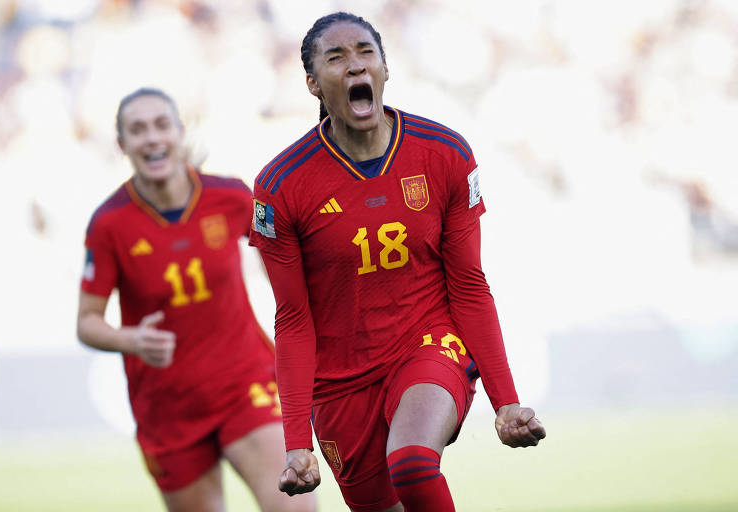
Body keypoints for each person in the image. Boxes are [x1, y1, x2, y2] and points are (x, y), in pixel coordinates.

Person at [249, 12, 546, 512]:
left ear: (385, 69)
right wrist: (297, 441)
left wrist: (506, 401)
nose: (354, 66)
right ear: (312, 84)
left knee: (411, 462)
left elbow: (470, 285)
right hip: (340, 382)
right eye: (336, 58)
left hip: (427, 343)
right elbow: (293, 320)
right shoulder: (281, 186)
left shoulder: (444, 153)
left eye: (365, 53)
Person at [77, 87, 316, 512]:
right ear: (122, 145)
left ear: (179, 132)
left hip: (245, 383)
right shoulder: (110, 223)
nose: (151, 138)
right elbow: (87, 322)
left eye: (161, 125)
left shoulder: (230, 196)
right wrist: (132, 340)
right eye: (137, 130)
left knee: (295, 507)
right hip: (168, 405)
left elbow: (282, 263)